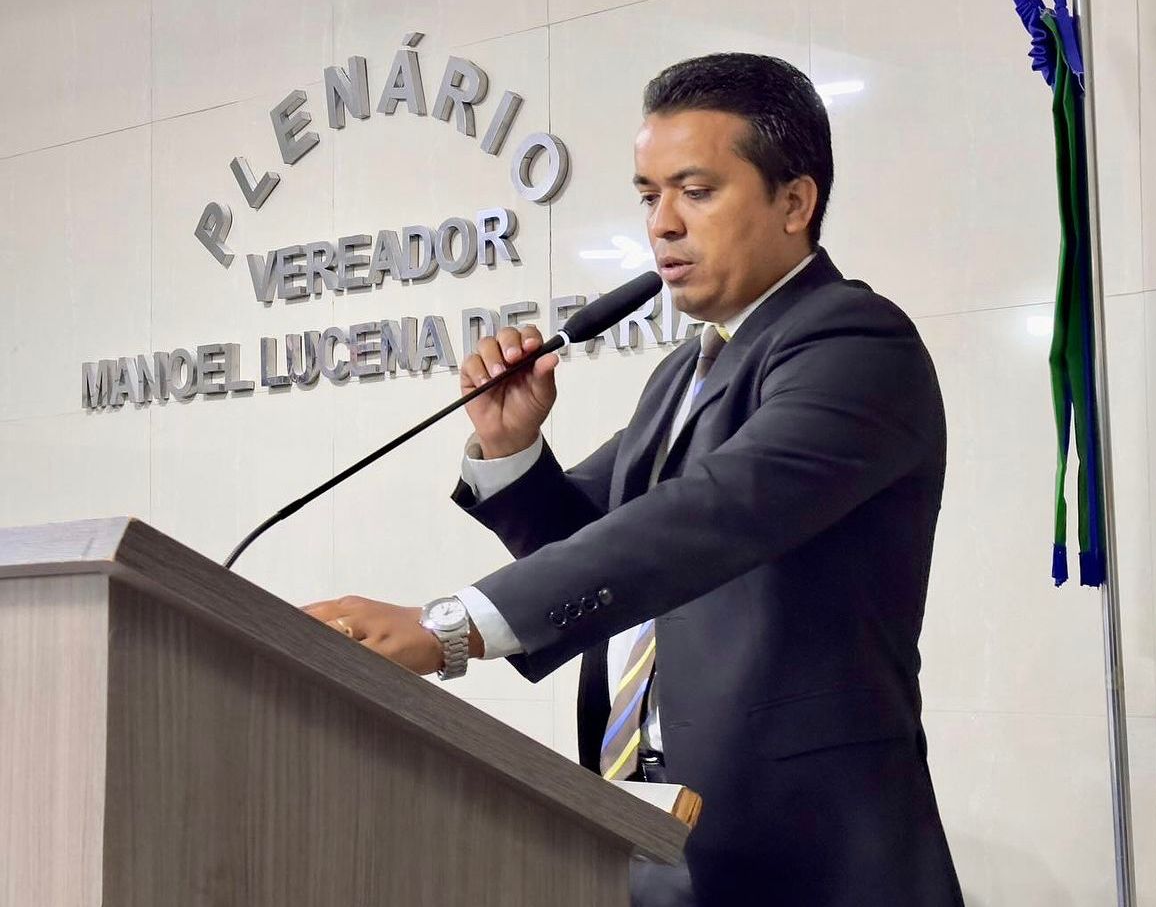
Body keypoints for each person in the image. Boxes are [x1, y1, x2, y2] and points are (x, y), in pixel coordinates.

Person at [305, 52, 963, 906]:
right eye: (649, 196)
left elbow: (711, 517)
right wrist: (511, 447)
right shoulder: (687, 370)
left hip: (806, 852)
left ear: (795, 202)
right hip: (648, 828)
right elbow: (598, 548)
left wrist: (451, 628)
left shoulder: (855, 343)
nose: (663, 225)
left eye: (696, 191)